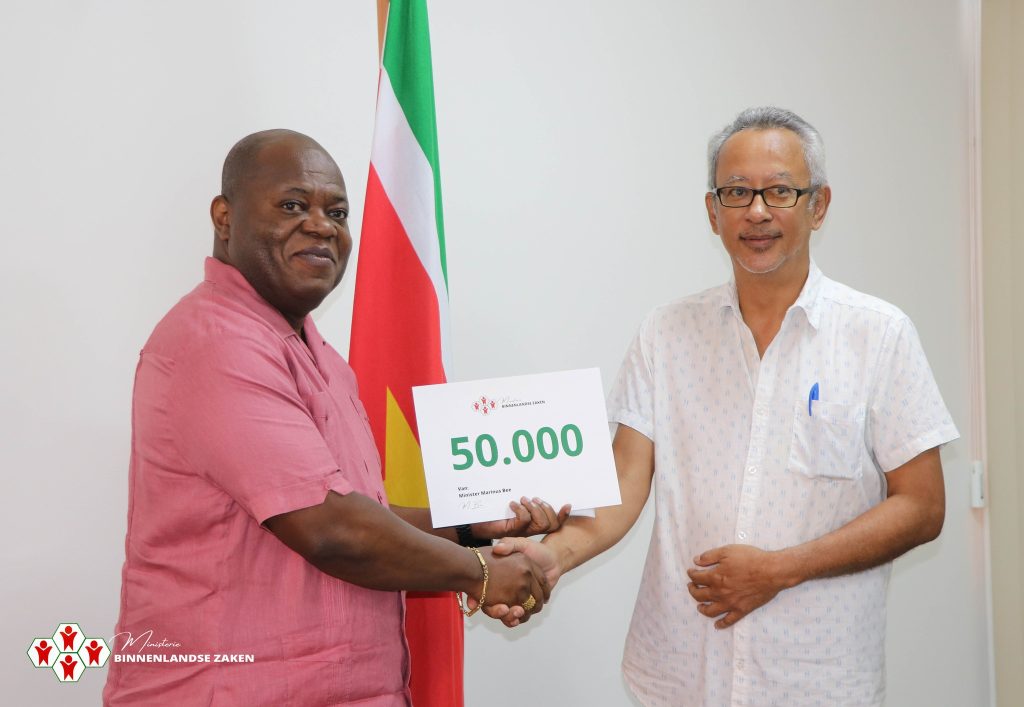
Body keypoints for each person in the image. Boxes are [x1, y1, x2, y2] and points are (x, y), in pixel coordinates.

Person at [494, 107, 958, 706]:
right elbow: (624, 485)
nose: (757, 211)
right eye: (737, 192)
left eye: (780, 191)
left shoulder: (880, 335)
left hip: (818, 679)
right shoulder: (665, 333)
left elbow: (922, 506)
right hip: (681, 673)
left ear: (818, 205)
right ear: (712, 212)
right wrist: (549, 558)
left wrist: (780, 569)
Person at [104, 129, 566, 706]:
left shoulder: (320, 358)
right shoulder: (217, 342)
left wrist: (473, 526)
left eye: (338, 212)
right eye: (292, 205)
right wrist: (480, 572)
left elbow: (360, 513)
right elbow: (329, 528)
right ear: (224, 217)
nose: (322, 226)